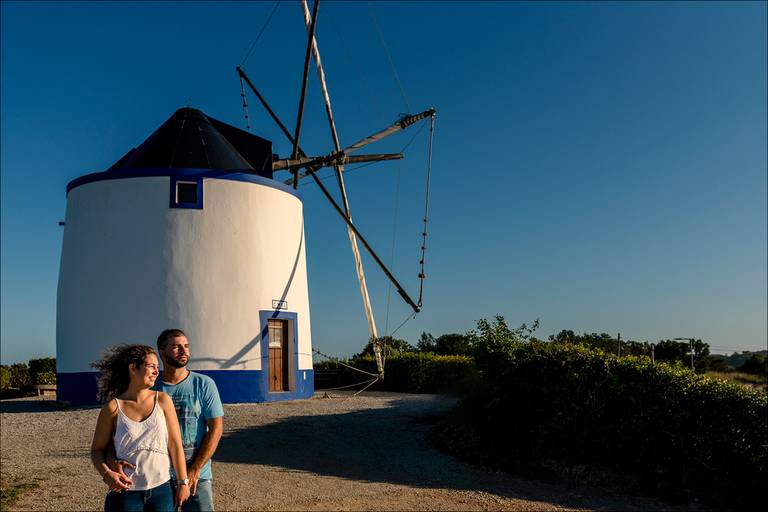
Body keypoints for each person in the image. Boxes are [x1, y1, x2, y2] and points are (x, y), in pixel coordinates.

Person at [90, 344, 190, 511]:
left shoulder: (163, 401)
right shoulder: (113, 408)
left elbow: (175, 445)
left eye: (157, 367)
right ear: (133, 368)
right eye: (151, 366)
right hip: (125, 492)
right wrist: (107, 474)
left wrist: (182, 482)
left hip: (162, 490)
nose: (156, 372)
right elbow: (97, 450)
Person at [153, 329, 224, 512]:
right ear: (162, 352)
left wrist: (195, 469)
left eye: (186, 346)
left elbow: (216, 428)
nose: (184, 351)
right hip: (160, 477)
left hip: (197, 476)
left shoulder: (204, 384)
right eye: (176, 347)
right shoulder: (152, 386)